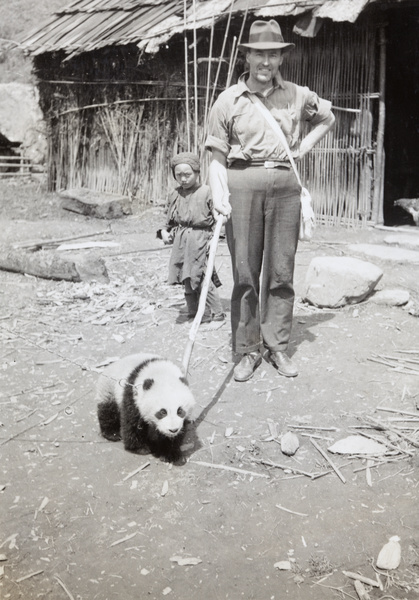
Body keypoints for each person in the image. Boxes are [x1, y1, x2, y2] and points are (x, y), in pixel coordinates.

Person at [205, 19, 335, 382]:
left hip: (285, 184)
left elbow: (327, 116)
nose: (266, 61)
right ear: (246, 56)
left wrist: (302, 149)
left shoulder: (296, 94)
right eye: (259, 54)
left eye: (273, 54)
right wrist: (219, 196)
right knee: (245, 272)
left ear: (281, 58)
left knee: (281, 269)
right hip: (242, 182)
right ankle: (247, 350)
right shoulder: (228, 100)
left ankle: (276, 344)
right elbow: (215, 156)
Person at [158, 152, 225, 324]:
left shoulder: (207, 192)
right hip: (181, 241)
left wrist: (213, 239)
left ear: (197, 173)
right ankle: (195, 312)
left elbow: (219, 220)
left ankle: (217, 314)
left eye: (187, 174)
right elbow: (168, 222)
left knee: (201, 276)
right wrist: (164, 232)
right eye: (179, 175)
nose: (183, 179)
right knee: (185, 276)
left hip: (200, 239)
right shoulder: (174, 194)